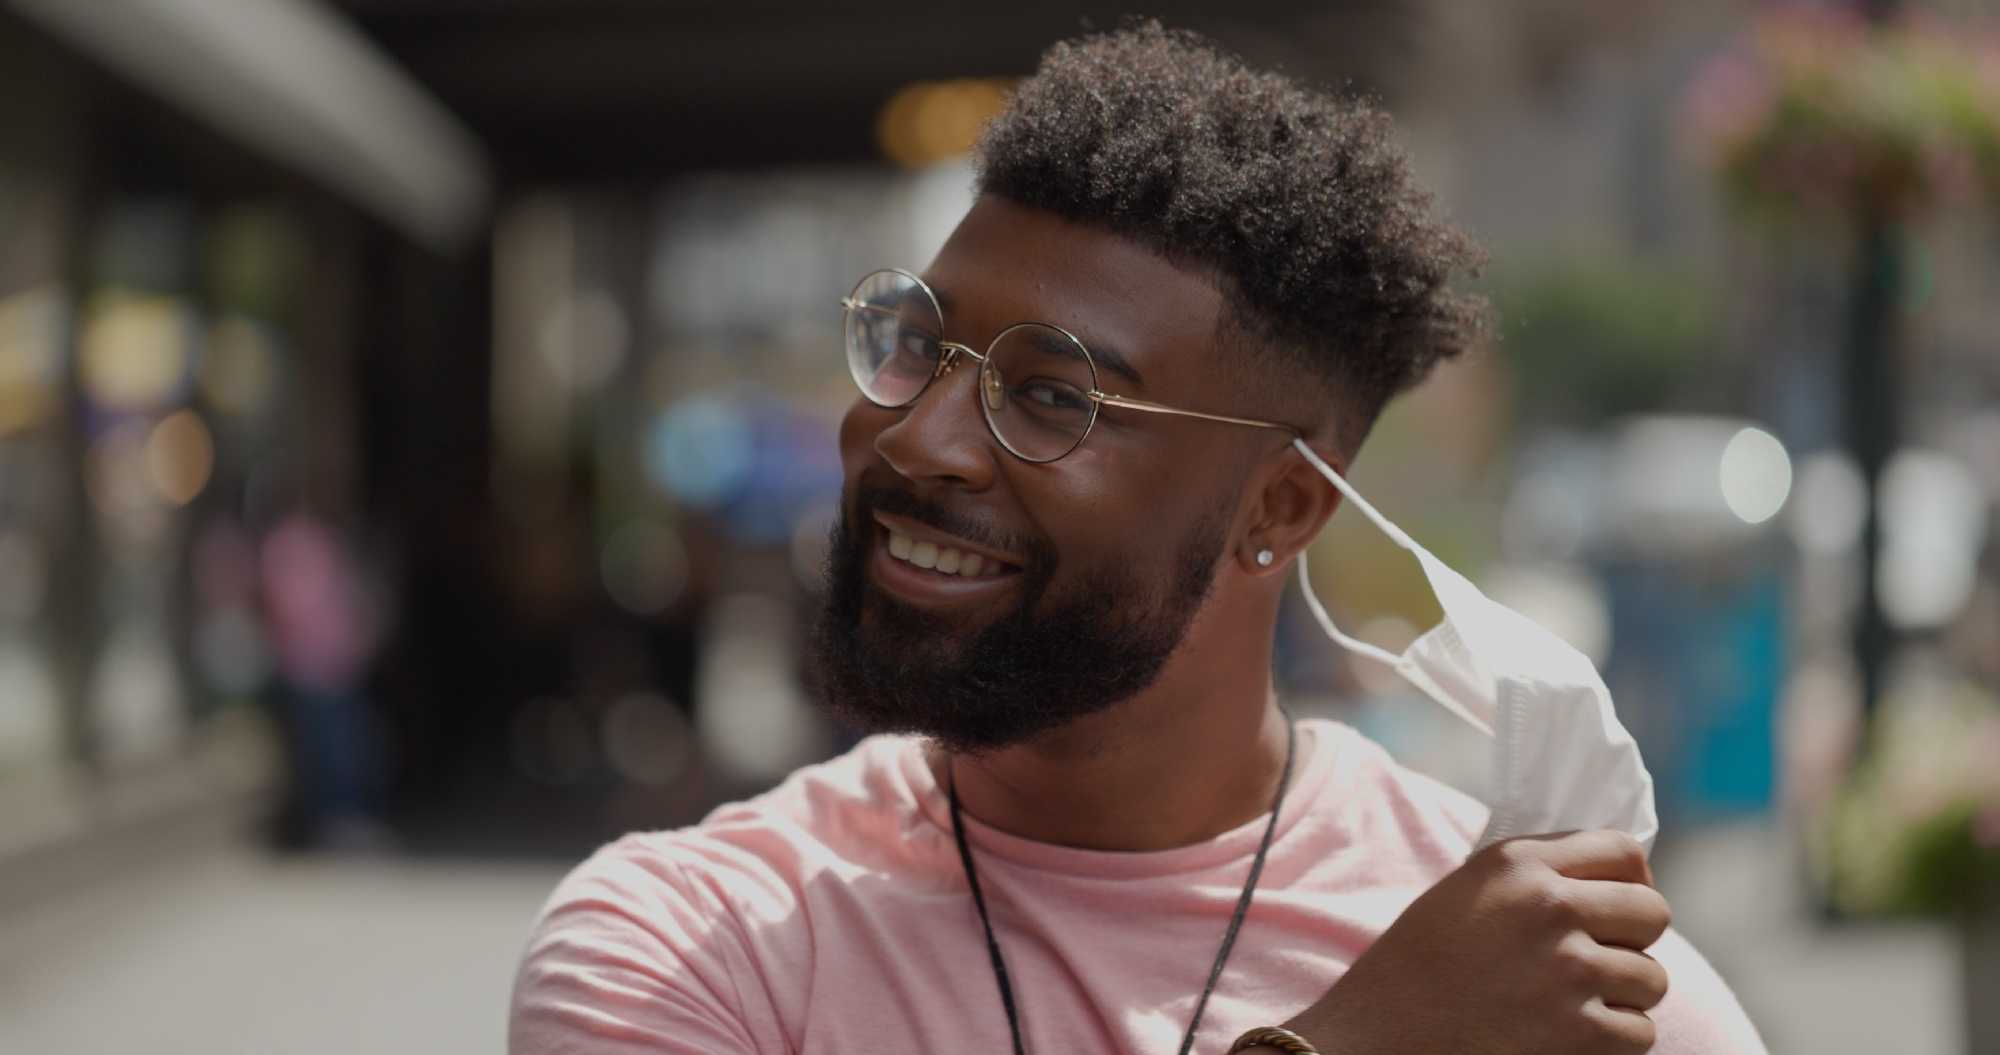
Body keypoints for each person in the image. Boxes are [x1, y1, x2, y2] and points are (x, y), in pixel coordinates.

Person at [510, 23, 1766, 1055]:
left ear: (1279, 506)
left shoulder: (1526, 964)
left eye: (1050, 395)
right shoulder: (689, 940)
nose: (918, 439)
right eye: (915, 346)